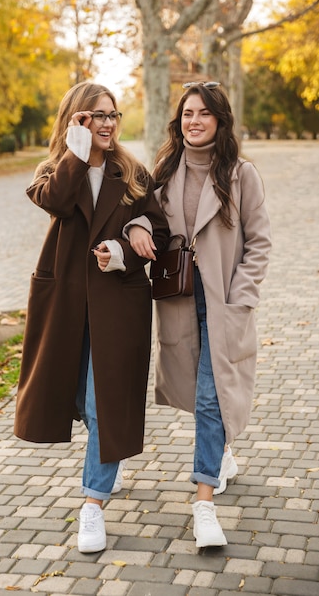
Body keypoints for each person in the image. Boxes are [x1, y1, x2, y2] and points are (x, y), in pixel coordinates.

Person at [14, 81, 169, 554]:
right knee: (76, 399)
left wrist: (125, 246)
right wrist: (77, 154)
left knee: (104, 404)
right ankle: (107, 451)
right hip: (65, 306)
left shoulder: (133, 172)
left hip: (118, 305)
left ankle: (93, 504)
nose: (106, 123)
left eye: (111, 115)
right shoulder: (52, 171)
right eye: (93, 116)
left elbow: (159, 227)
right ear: (74, 121)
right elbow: (58, 201)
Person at [126, 81, 271, 548]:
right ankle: (224, 452)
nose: (194, 121)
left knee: (211, 398)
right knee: (201, 394)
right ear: (179, 120)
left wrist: (241, 297)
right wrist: (136, 228)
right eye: (188, 113)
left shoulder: (241, 174)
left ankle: (203, 504)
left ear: (220, 120)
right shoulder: (163, 171)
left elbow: (260, 243)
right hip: (180, 299)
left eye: (204, 113)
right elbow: (142, 212)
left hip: (224, 302)